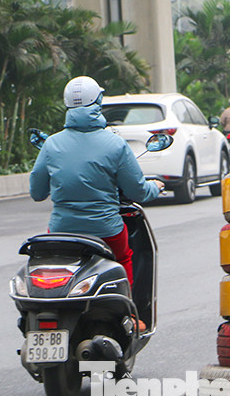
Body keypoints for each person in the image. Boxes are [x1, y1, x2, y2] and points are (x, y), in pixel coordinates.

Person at [30, 76, 164, 294]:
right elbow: (137, 191)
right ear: (98, 102)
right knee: (124, 258)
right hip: (106, 231)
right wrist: (155, 187)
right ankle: (128, 306)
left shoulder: (51, 144)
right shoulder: (115, 144)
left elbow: (37, 192)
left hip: (61, 231)